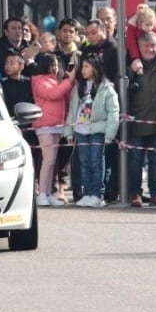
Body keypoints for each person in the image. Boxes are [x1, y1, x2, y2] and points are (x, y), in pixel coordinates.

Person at [64, 53, 119, 208]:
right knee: (84, 163)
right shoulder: (78, 87)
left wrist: (109, 135)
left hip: (97, 131)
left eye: (87, 66)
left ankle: (97, 194)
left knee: (96, 162)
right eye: (82, 67)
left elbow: (113, 113)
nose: (83, 70)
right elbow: (72, 110)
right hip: (81, 131)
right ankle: (87, 193)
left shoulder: (106, 88)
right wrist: (69, 131)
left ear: (96, 68)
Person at [125, 33, 156, 207]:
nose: (151, 49)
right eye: (146, 46)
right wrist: (131, 71)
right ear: (139, 47)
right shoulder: (132, 66)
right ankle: (135, 193)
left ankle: (155, 194)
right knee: (136, 159)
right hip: (137, 121)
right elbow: (122, 87)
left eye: (153, 45)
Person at [29, 53, 74, 207]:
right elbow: (54, 94)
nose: (55, 68)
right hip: (45, 125)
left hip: (56, 125)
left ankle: (48, 192)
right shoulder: (39, 81)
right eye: (52, 64)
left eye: (56, 65)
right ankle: (42, 193)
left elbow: (63, 94)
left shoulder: (56, 80)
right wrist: (70, 80)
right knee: (48, 159)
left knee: (52, 160)